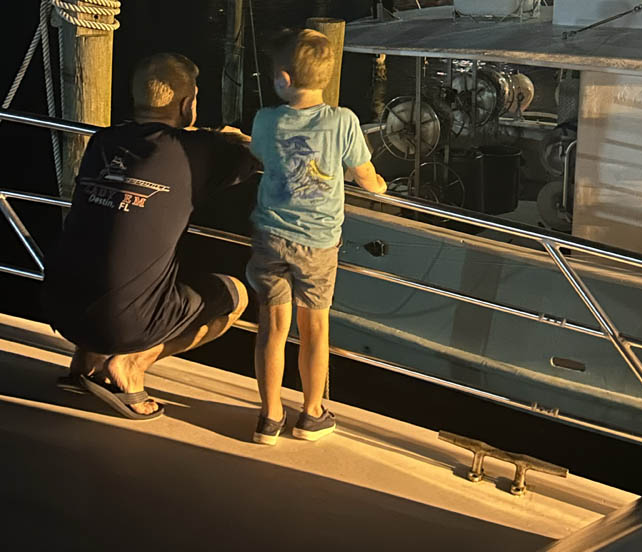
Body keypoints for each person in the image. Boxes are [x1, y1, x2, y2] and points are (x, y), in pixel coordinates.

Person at [44, 53, 257, 420]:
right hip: (122, 323)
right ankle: (132, 363)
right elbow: (255, 156)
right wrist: (228, 138)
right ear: (187, 104)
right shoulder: (197, 151)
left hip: (59, 308)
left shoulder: (102, 141)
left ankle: (85, 361)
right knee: (235, 296)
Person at [247, 28, 386, 445]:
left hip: (271, 236)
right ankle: (311, 413)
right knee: (315, 329)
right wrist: (378, 186)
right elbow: (364, 174)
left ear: (283, 79)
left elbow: (259, 153)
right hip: (319, 243)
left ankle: (270, 417)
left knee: (273, 327)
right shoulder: (344, 122)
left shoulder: (266, 120)